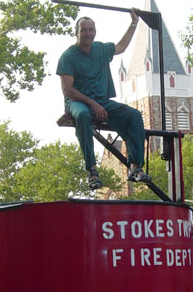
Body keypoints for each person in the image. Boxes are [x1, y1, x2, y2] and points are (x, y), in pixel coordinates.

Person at [57, 10, 151, 190]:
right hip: (77, 102)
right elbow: (67, 89)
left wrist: (134, 23)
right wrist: (93, 104)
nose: (88, 33)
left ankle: (135, 167)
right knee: (83, 115)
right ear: (76, 32)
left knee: (134, 115)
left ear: (95, 31)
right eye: (84, 30)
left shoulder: (100, 49)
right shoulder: (68, 56)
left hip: (101, 101)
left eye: (91, 29)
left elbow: (121, 46)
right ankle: (92, 170)